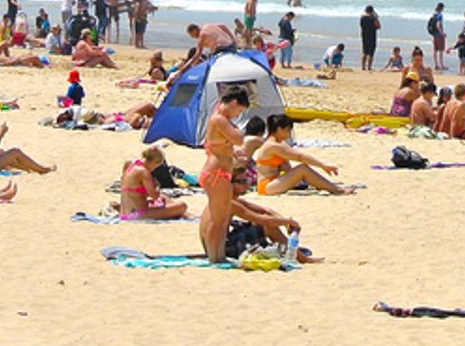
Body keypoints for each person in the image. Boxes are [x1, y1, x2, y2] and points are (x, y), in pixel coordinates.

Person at [198, 87, 248, 263]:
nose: (237, 115)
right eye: (239, 110)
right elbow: (239, 138)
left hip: (221, 171)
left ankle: (219, 255)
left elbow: (220, 143)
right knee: (217, 219)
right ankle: (215, 256)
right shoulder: (219, 119)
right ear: (234, 103)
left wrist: (232, 152)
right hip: (216, 173)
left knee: (223, 218)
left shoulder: (219, 118)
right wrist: (236, 133)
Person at [253, 114, 352, 195]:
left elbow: (286, 167)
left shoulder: (279, 144)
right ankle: (335, 189)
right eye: (288, 130)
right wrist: (323, 165)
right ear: (279, 129)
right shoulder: (273, 146)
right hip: (266, 186)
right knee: (302, 169)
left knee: (300, 170)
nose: (289, 134)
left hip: (274, 182)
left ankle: (331, 187)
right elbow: (300, 157)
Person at [118, 147, 188, 220]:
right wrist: (157, 186)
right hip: (136, 214)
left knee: (164, 197)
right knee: (182, 206)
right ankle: (188, 215)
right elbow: (155, 196)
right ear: (154, 162)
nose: (154, 169)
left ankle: (186, 214)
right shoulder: (143, 172)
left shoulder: (131, 167)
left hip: (125, 213)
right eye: (156, 166)